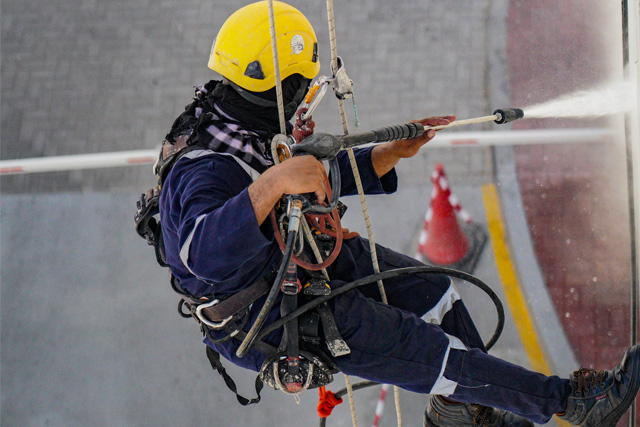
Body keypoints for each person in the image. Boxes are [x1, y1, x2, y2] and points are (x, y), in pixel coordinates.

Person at [157, 2, 640, 426]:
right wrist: (276, 182)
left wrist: (388, 154)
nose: (308, 99)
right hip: (264, 317)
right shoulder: (206, 168)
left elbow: (305, 179)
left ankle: (462, 416)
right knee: (430, 354)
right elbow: (202, 254)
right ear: (278, 88)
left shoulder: (241, 122)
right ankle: (572, 404)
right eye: (303, 87)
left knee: (436, 294)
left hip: (294, 260)